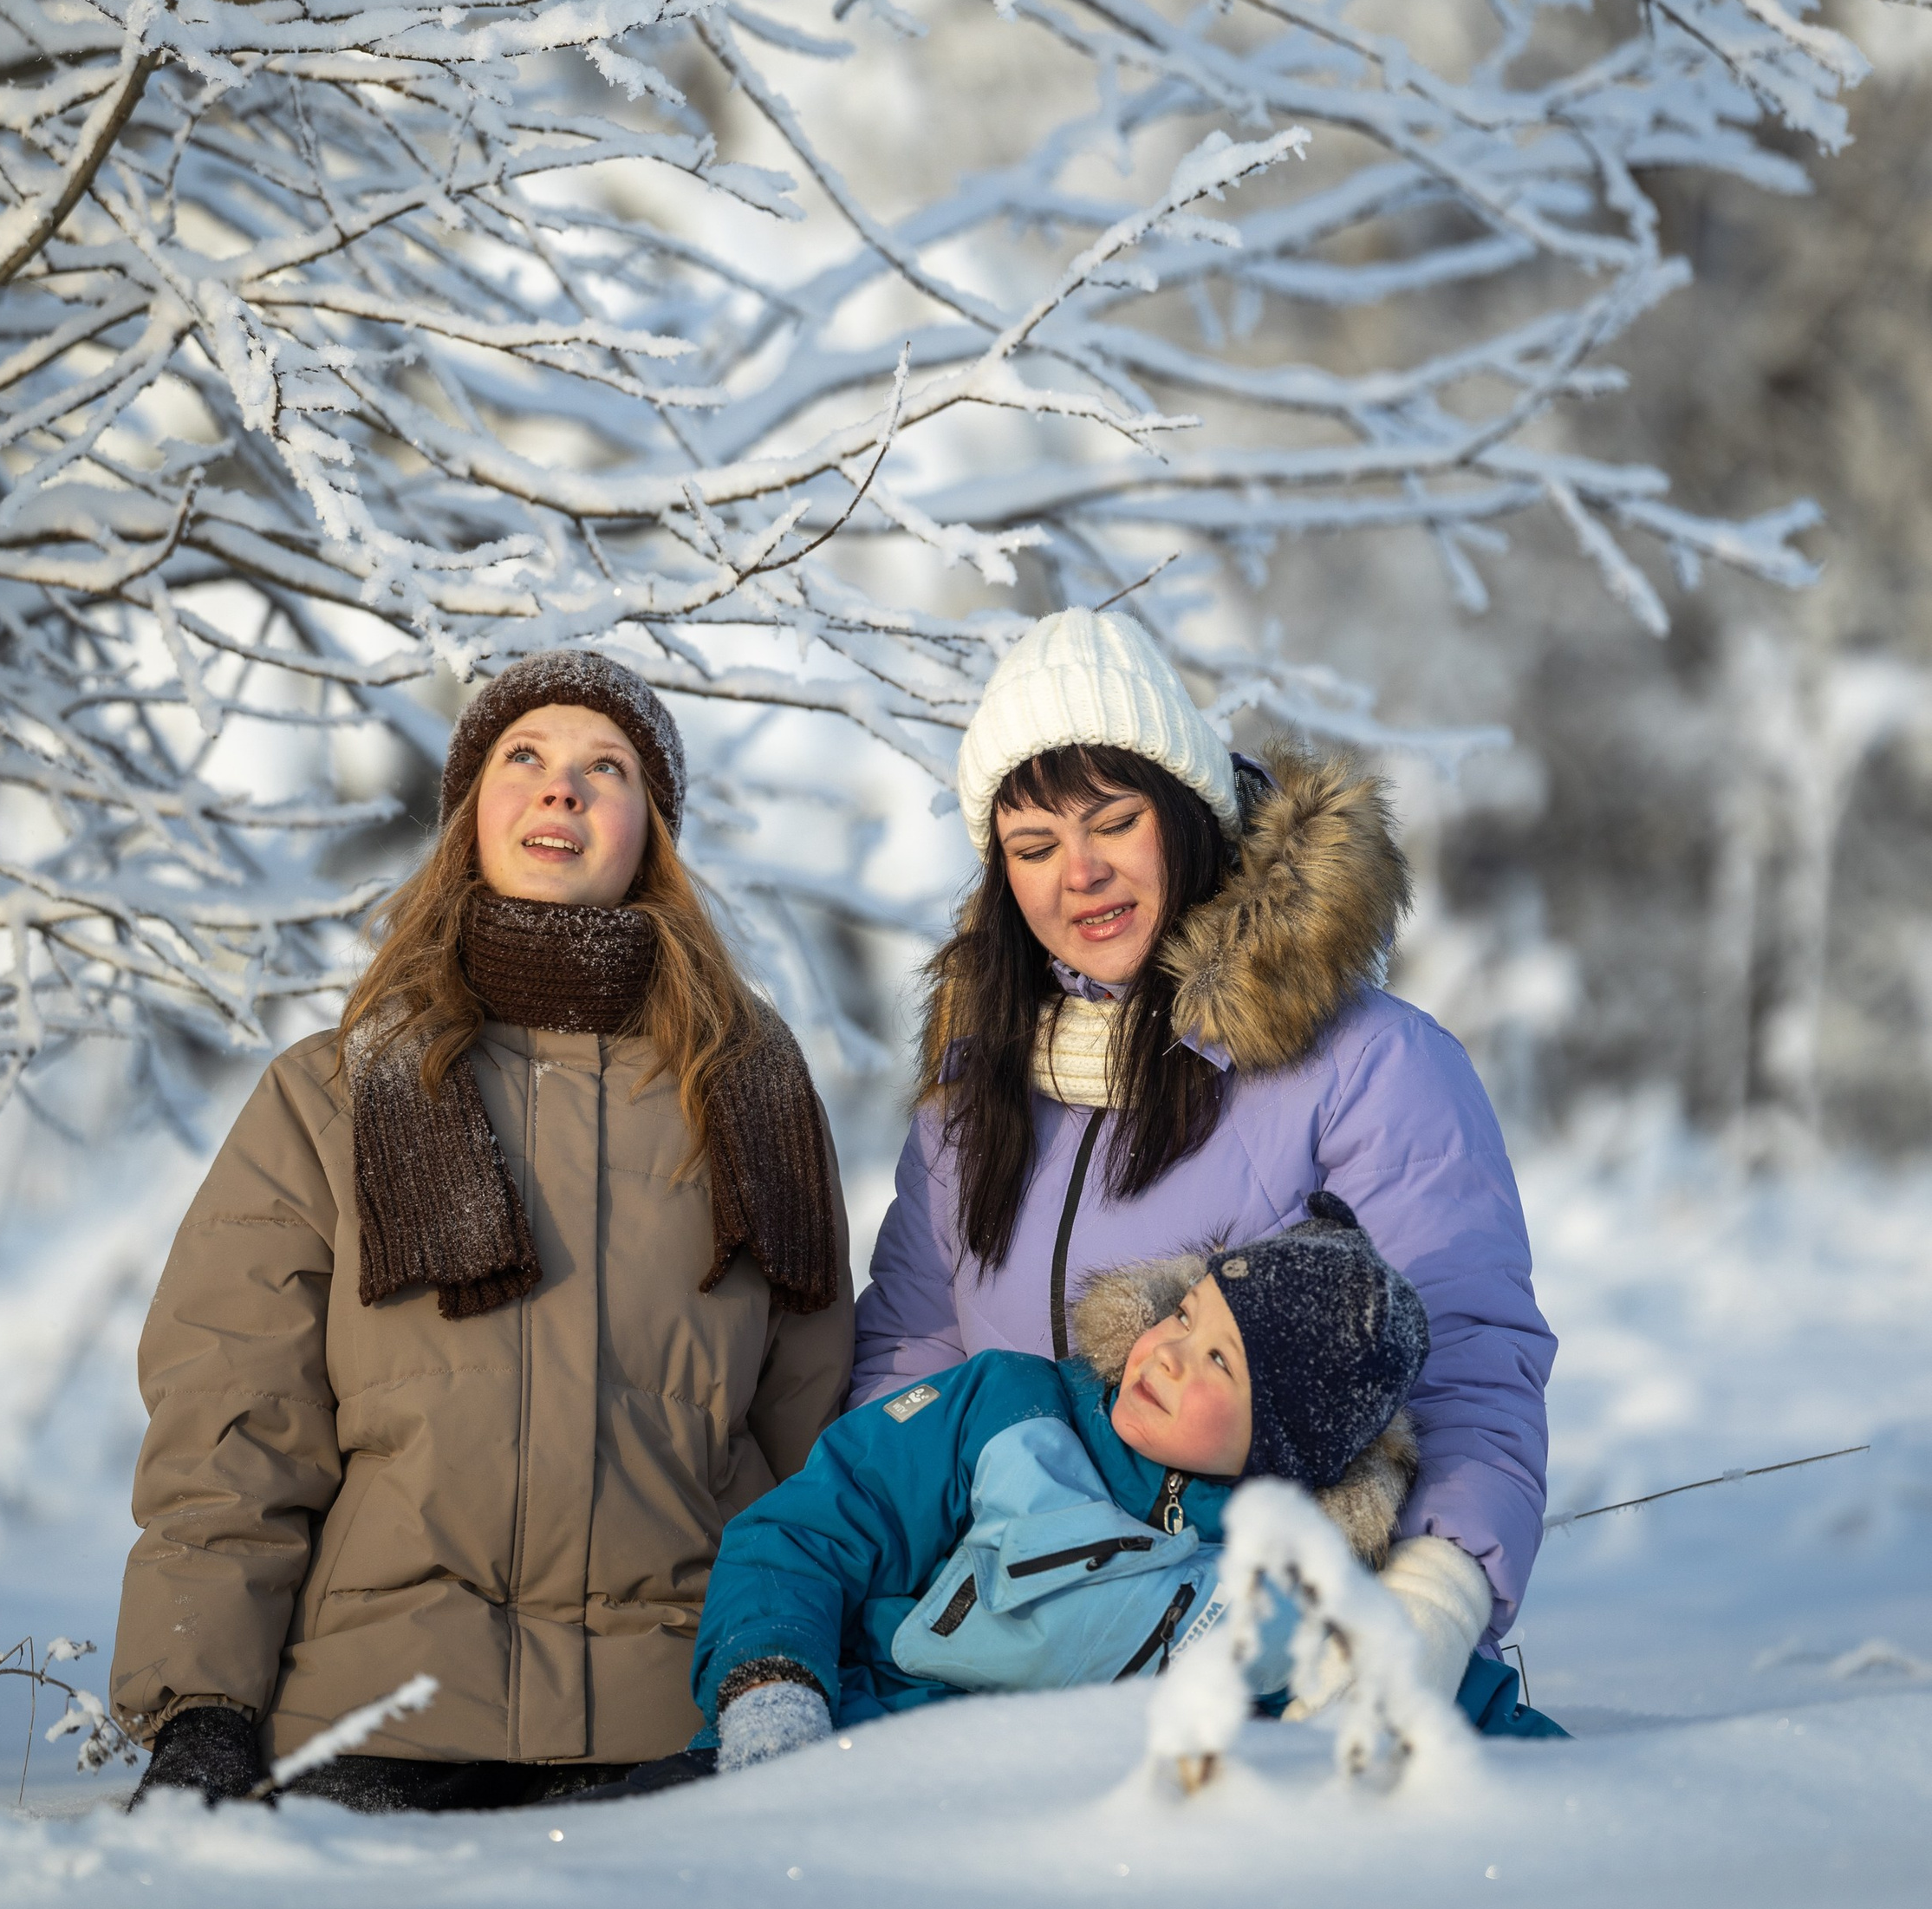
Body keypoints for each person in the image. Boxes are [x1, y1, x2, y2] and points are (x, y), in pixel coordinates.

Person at [113, 650, 855, 1813]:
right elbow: (232, 1431)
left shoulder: (750, 1098)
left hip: (677, 1731)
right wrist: (200, 1706)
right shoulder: (332, 1096)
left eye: (605, 767)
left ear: (650, 834)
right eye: (526, 759)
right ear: (470, 817)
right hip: (375, 1722)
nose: (562, 790)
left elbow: (817, 1450)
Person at [854, 609, 1554, 1714]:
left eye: (1112, 823)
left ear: (1184, 812)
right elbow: (911, 1360)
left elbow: (1467, 1353)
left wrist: (1435, 1588)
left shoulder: (1367, 1062)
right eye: (1032, 848)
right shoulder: (973, 1093)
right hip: (1007, 1665)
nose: (1078, 873)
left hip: (1264, 1667)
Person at [695, 1195, 1477, 1767]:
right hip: (856, 1750)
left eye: (1219, 1361)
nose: (1166, 1351)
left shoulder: (1290, 1591)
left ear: (1287, 1448)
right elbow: (804, 1533)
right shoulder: (1003, 1409)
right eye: (1185, 1315)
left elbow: (1456, 1702)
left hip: (1081, 1853)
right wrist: (772, 1686)